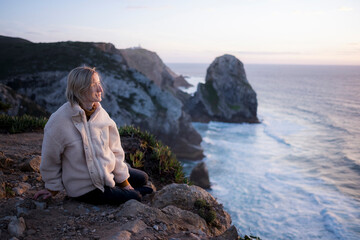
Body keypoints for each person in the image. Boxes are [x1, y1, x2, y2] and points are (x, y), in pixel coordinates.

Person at [34, 66, 152, 205]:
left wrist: (123, 181)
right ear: (80, 89)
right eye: (94, 85)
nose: (100, 89)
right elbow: (50, 159)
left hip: (106, 174)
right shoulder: (58, 121)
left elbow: (115, 151)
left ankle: (124, 189)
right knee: (135, 197)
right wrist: (52, 188)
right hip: (86, 188)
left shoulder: (100, 113)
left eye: (99, 84)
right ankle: (132, 193)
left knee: (142, 178)